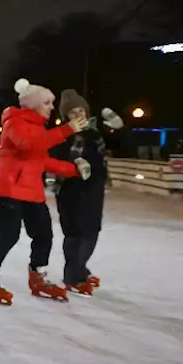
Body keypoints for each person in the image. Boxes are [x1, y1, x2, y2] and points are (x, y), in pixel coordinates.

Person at [0, 79, 91, 305]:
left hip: (31, 192)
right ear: (33, 105)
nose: (50, 107)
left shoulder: (40, 128)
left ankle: (38, 276)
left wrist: (73, 170)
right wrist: (67, 130)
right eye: (47, 103)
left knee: (43, 235)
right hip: (8, 189)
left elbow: (40, 158)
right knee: (8, 235)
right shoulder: (14, 121)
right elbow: (29, 146)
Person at [51, 92, 123, 295]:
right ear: (66, 116)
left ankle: (76, 271)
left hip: (92, 188)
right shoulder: (61, 134)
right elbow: (53, 156)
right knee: (73, 233)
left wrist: (120, 130)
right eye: (72, 112)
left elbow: (125, 148)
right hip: (68, 187)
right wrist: (72, 163)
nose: (78, 115)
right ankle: (75, 275)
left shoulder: (96, 133)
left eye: (80, 110)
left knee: (90, 232)